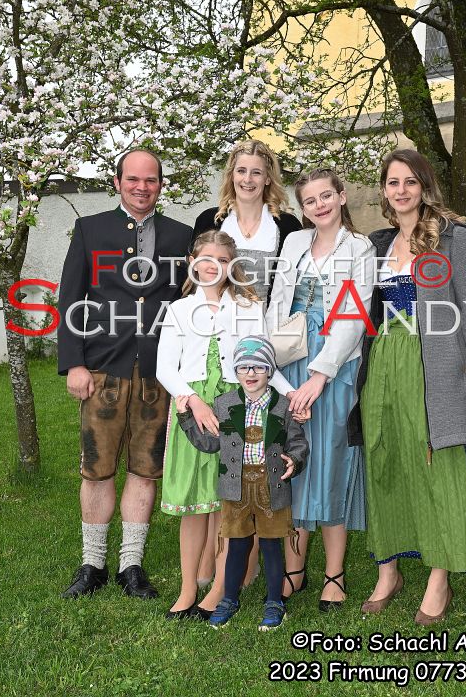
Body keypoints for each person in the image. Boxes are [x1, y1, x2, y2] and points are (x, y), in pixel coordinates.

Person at [348, 149, 466, 625]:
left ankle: (439, 577)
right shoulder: (378, 243)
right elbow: (359, 308)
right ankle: (388, 571)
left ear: (425, 186)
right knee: (384, 458)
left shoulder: (454, 238)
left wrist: (453, 367)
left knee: (436, 462)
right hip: (382, 361)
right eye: (393, 182)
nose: (402, 190)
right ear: (384, 191)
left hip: (429, 362)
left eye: (410, 181)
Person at [58, 148, 192, 599]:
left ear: (160, 185)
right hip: (102, 368)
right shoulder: (90, 229)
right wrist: (74, 362)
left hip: (158, 371)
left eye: (150, 180)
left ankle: (130, 565)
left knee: (145, 469)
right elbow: (70, 298)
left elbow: (188, 303)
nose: (141, 187)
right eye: (133, 179)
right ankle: (92, 564)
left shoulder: (181, 236)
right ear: (117, 182)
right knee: (97, 469)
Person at [155, 231, 300, 619]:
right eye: (206, 258)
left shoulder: (248, 308)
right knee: (193, 506)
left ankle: (220, 587)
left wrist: (293, 396)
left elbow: (264, 363)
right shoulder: (179, 310)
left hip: (235, 409)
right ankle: (188, 588)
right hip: (193, 406)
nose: (213, 266)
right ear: (192, 262)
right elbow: (165, 367)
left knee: (228, 501)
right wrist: (194, 402)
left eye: (222, 260)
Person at [266, 167, 375, 611]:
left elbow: (354, 315)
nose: (319, 205)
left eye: (326, 196)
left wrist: (319, 376)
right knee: (292, 458)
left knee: (330, 461)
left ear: (341, 196)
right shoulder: (294, 242)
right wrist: (274, 367)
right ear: (303, 208)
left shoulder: (360, 247)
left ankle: (334, 573)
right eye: (309, 201)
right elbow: (277, 302)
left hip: (334, 364)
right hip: (291, 358)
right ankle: (294, 569)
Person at [175, 336, 309, 630]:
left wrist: (294, 460)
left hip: (271, 487)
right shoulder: (224, 405)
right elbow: (209, 443)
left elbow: (298, 444)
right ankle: (228, 599)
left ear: (270, 371)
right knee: (236, 544)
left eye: (259, 367)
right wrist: (186, 419)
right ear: (235, 371)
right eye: (244, 367)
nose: (251, 373)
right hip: (235, 488)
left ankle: (274, 602)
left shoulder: (284, 406)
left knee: (271, 545)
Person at [192, 138, 301, 303]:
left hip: (269, 317)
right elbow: (194, 279)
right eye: (241, 171)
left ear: (268, 178)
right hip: (216, 316)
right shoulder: (209, 221)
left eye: (256, 172)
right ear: (232, 175)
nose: (247, 179)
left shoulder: (287, 225)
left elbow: (295, 284)